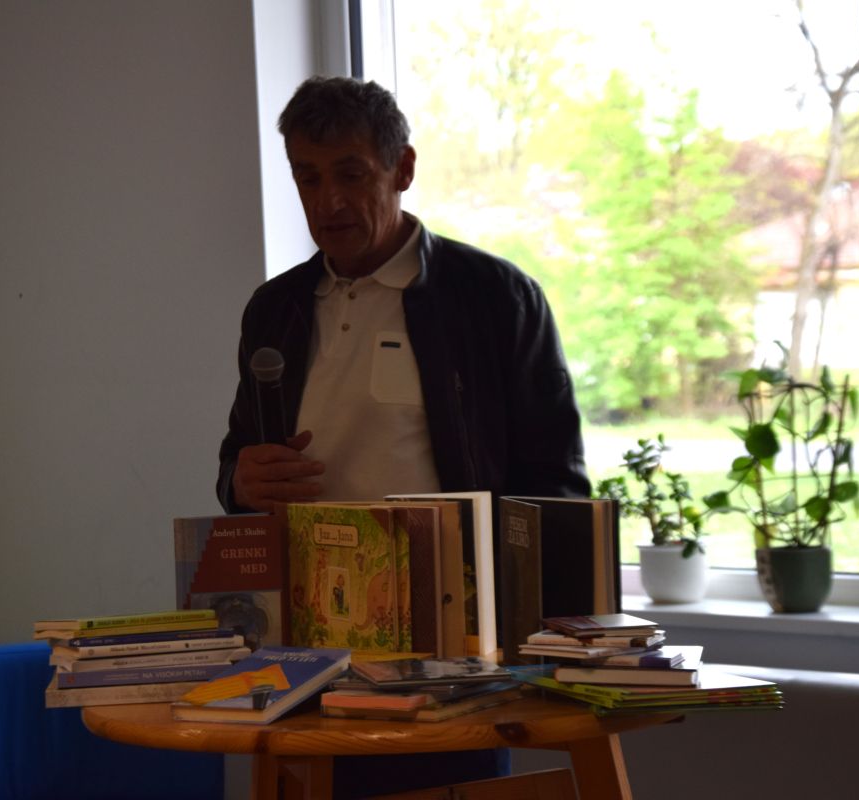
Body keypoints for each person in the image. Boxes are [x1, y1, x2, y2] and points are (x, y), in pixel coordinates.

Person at [217, 75, 589, 514]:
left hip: (461, 561)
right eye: (308, 178)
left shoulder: (500, 298)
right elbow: (238, 461)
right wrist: (239, 485)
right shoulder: (273, 309)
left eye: (351, 175)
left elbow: (555, 488)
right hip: (303, 561)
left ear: (404, 169)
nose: (328, 202)